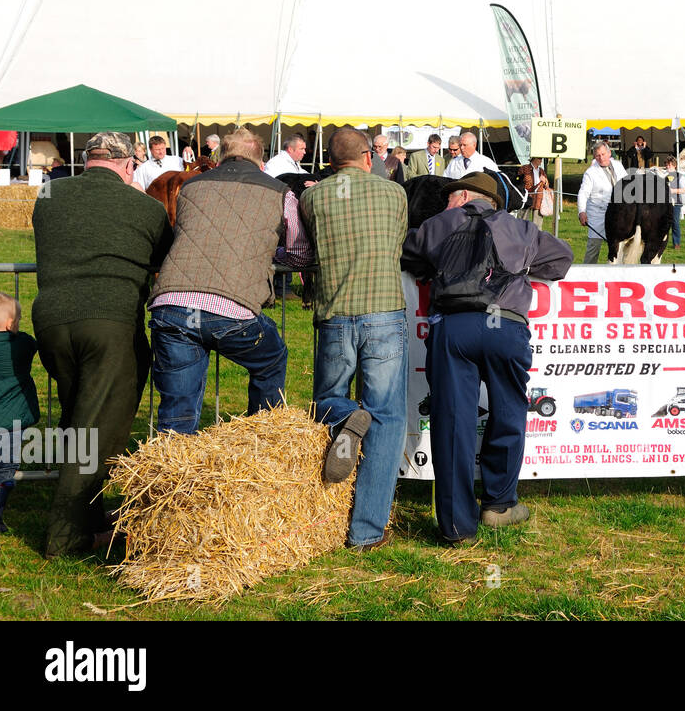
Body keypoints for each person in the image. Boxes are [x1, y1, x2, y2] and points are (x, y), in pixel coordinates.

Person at [402, 172, 573, 544]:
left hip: (453, 329)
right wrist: (525, 268)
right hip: (505, 327)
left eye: (450, 196)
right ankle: (499, 505)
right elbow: (563, 258)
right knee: (509, 410)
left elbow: (407, 252)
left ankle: (457, 527)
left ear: (465, 195)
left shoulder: (438, 224)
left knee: (452, 422)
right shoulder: (520, 228)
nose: (445, 202)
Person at [32, 132, 172, 556]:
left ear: (87, 159)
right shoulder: (146, 208)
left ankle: (88, 514)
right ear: (129, 165)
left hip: (52, 320)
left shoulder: (49, 193)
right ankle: (66, 536)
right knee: (96, 428)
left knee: (79, 419)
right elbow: (163, 257)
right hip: (109, 321)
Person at [148, 129, 314, 434]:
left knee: (176, 415)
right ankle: (258, 438)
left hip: (171, 304)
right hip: (231, 309)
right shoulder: (281, 192)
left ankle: (172, 473)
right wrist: (269, 252)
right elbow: (300, 253)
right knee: (271, 358)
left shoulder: (191, 187)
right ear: (261, 160)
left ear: (221, 156)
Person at [300, 128, 408, 552]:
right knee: (384, 416)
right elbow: (395, 244)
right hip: (383, 310)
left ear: (330, 162)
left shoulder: (313, 198)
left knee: (326, 396)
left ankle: (344, 415)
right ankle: (365, 532)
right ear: (368, 156)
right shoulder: (394, 195)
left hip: (335, 315)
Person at [0, 293, 37, 535]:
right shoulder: (21, 345)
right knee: (4, 469)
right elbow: (32, 343)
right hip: (10, 425)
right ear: (11, 324)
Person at [577, 141, 628, 262]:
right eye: (598, 155)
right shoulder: (590, 173)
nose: (601, 158)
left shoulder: (618, 165)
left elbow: (627, 182)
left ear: (609, 153)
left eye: (603, 154)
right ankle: (587, 275)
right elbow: (583, 193)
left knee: (619, 246)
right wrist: (582, 212)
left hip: (618, 213)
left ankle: (617, 274)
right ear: (594, 156)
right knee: (594, 247)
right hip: (598, 214)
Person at [517, 155, 550, 230]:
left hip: (538, 197)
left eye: (542, 158)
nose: (541, 160)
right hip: (526, 197)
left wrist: (545, 181)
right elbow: (518, 181)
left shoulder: (541, 170)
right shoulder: (524, 168)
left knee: (537, 223)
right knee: (523, 220)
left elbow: (547, 185)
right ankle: (522, 235)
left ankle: (536, 237)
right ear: (534, 159)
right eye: (539, 158)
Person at [663, 155, 685, 248]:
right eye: (667, 165)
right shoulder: (664, 175)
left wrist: (672, 191)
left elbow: (684, 190)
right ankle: (662, 241)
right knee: (664, 222)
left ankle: (676, 243)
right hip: (665, 203)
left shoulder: (680, 176)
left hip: (676, 203)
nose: (668, 167)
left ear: (674, 165)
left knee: (675, 223)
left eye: (670, 165)